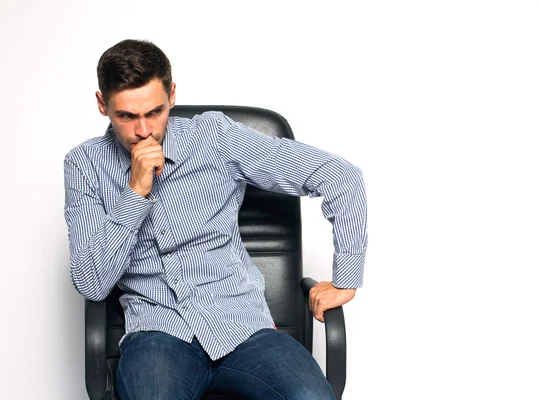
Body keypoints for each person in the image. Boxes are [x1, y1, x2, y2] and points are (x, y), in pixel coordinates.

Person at [64, 39, 367, 400]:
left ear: (172, 95)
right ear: (102, 105)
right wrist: (135, 193)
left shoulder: (215, 138)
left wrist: (346, 278)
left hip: (242, 326)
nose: (143, 130)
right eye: (127, 116)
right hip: (158, 335)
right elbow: (91, 283)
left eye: (155, 112)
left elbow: (339, 176)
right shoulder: (84, 165)